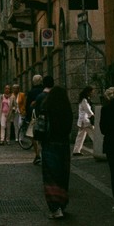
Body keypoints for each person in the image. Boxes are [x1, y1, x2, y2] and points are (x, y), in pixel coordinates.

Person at [39, 85, 73, 219]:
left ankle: (55, 208)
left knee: (50, 175)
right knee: (62, 175)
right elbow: (69, 128)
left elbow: (40, 129)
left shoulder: (46, 108)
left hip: (49, 144)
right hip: (63, 145)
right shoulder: (67, 109)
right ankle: (62, 203)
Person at [25, 74, 46, 164]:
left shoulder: (31, 92)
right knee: (44, 136)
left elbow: (27, 106)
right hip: (44, 116)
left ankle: (37, 154)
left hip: (34, 117)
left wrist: (27, 116)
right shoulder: (44, 91)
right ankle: (44, 153)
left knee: (32, 135)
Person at [73, 85, 95, 155]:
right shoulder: (84, 100)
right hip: (86, 121)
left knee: (80, 136)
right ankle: (99, 147)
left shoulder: (83, 99)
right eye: (91, 92)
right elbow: (88, 110)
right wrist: (93, 116)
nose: (92, 93)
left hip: (82, 120)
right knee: (94, 134)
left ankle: (76, 150)